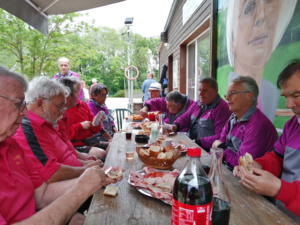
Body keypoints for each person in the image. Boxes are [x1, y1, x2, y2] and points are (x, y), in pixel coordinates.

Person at [0, 65, 122, 224]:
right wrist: (82, 185)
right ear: (41, 103)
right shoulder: (25, 131)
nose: (24, 112)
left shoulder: (11, 144)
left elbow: (42, 197)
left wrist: (94, 178)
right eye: (18, 104)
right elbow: (51, 175)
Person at [233, 60, 300, 223]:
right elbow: (278, 156)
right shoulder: (293, 124)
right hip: (283, 215)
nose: (289, 104)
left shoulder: (258, 123)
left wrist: (279, 189)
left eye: (296, 95)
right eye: (286, 97)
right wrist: (259, 165)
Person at [14, 76, 104, 183]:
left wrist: (84, 163)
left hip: (76, 174)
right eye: (59, 106)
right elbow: (51, 173)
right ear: (40, 103)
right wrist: (85, 170)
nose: (63, 112)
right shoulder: (28, 129)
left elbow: (65, 152)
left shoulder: (48, 122)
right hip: (69, 184)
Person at [218, 0, 297, 122]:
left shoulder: (270, 94)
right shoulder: (234, 119)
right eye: (249, 7)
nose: (261, 18)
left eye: (268, 2)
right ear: (231, 36)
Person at [212, 76, 278, 170]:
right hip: (228, 169)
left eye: (232, 93)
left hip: (246, 178)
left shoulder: (257, 124)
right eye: (227, 94)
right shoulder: (233, 117)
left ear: (249, 96)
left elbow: (245, 164)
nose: (227, 98)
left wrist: (221, 149)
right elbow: (219, 145)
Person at [56, 77, 107, 160]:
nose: (77, 93)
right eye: (76, 90)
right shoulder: (62, 112)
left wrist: (96, 124)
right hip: (77, 144)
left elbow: (94, 130)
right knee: (101, 154)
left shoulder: (83, 104)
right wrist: (80, 126)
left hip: (90, 140)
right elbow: (65, 138)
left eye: (78, 90)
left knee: (111, 147)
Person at [183, 77, 231, 151]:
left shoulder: (222, 108)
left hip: (207, 150)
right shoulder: (198, 103)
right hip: (190, 145)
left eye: (204, 90)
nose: (200, 94)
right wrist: (175, 125)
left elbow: (220, 137)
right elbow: (185, 117)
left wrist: (198, 142)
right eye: (199, 90)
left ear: (215, 91)